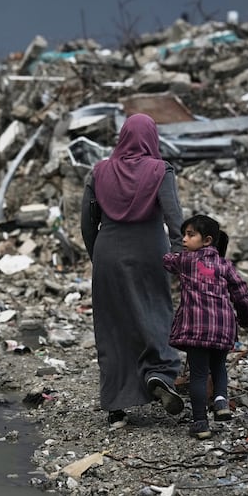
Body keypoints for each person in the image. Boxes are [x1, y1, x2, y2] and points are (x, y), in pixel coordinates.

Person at [81, 113, 185, 429]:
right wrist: (179, 260)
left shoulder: (98, 172)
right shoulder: (160, 171)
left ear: (122, 137)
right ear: (151, 138)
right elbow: (174, 219)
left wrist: (97, 256)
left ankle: (116, 403)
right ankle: (157, 373)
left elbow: (87, 223)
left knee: (113, 325)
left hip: (109, 250)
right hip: (150, 252)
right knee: (155, 312)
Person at [163, 214, 248, 439]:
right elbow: (242, 295)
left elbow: (166, 260)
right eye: (184, 235)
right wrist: (245, 319)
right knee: (219, 367)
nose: (184, 239)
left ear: (206, 240)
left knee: (198, 374)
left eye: (190, 235)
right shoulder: (225, 265)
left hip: (196, 329)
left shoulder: (185, 261)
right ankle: (221, 402)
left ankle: (200, 423)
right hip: (223, 327)